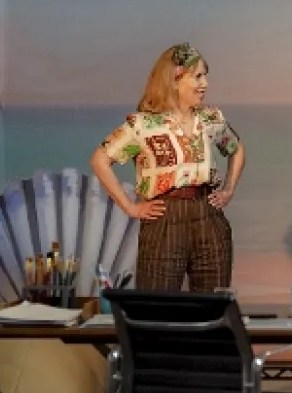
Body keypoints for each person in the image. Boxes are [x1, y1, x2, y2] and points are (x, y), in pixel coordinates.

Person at [90, 42, 246, 292]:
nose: (205, 84)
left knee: (212, 305)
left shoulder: (210, 119)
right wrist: (130, 207)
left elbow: (236, 149)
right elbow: (100, 160)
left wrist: (228, 188)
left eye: (205, 76)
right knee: (157, 304)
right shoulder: (143, 125)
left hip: (209, 215)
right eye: (198, 76)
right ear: (175, 80)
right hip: (164, 218)